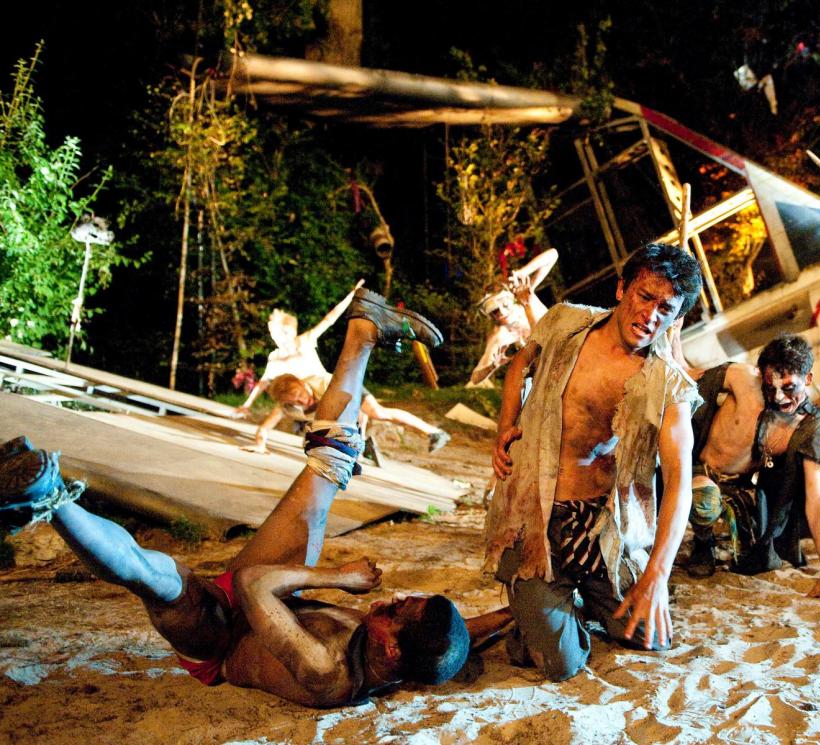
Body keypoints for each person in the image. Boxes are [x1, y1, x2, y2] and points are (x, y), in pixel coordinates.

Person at [0, 290, 511, 708]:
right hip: (275, 601)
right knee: (329, 467)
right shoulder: (426, 648)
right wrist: (535, 605)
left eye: (398, 609)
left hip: (221, 640)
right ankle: (362, 333)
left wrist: (339, 578)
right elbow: (472, 630)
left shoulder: (325, 671)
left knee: (155, 577)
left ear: (390, 645)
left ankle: (47, 497)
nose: (396, 597)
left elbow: (249, 583)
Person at [482, 243, 702, 682]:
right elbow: (520, 364)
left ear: (676, 319)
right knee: (561, 664)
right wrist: (506, 425)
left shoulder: (667, 385)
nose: (650, 316)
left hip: (599, 528)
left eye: (666, 308)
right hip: (535, 520)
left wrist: (656, 575)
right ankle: (539, 606)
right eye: (645, 297)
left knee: (649, 637)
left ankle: (561, 603)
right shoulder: (564, 322)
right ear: (622, 288)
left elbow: (679, 483)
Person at [685, 334, 820, 602]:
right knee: (704, 501)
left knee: (762, 552)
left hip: (744, 490)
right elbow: (689, 378)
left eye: (789, 388)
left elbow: (816, 499)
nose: (779, 398)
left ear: (807, 378)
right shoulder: (742, 378)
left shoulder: (810, 429)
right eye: (771, 388)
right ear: (761, 375)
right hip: (700, 473)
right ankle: (703, 543)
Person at [233, 279, 364, 419]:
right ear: (273, 335)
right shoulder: (275, 358)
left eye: (287, 334)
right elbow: (263, 383)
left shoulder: (305, 341)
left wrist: (351, 295)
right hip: (304, 397)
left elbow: (329, 319)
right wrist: (247, 404)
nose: (283, 339)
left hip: (324, 385)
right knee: (286, 397)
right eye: (278, 335)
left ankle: (358, 424)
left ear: (293, 332)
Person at [251, 372, 450, 454]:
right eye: (294, 401)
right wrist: (260, 444)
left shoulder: (321, 383)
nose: (302, 401)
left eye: (300, 395)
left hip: (348, 391)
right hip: (336, 414)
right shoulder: (286, 407)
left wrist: (359, 427)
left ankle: (435, 432)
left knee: (379, 413)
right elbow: (264, 428)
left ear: (302, 384)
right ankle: (362, 443)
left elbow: (351, 406)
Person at [468, 248, 560, 386]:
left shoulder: (523, 295)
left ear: (510, 299)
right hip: (553, 361)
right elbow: (475, 378)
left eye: (504, 305)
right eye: (494, 311)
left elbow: (553, 254)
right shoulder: (500, 335)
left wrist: (523, 272)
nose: (501, 313)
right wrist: (492, 366)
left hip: (564, 334)